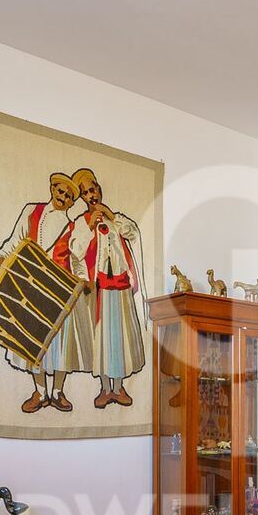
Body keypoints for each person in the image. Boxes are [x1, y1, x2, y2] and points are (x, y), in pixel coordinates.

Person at [0, 171, 91, 413]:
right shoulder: (32, 211)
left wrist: (84, 279)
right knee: (33, 341)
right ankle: (41, 392)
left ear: (72, 202)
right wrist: (2, 256)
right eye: (60, 191)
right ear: (53, 189)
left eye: (69, 196)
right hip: (32, 284)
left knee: (60, 345)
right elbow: (17, 238)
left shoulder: (72, 226)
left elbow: (77, 257)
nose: (63, 197)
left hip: (60, 290)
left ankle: (57, 392)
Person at [70, 168, 146, 408]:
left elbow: (133, 233)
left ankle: (119, 387)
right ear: (82, 198)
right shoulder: (82, 223)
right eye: (85, 193)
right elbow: (76, 251)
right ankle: (104, 388)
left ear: (99, 190)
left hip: (121, 287)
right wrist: (89, 227)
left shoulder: (116, 219)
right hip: (100, 288)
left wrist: (113, 217)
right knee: (102, 340)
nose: (91, 195)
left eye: (92, 190)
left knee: (120, 338)